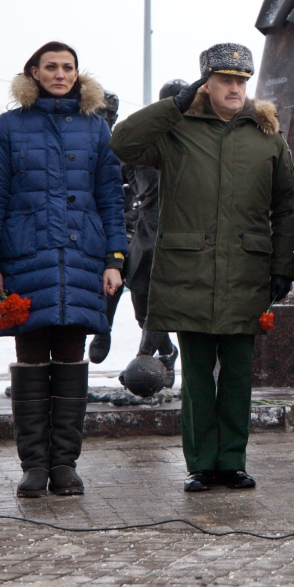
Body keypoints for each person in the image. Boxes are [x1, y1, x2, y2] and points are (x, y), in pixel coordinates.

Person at [112, 44, 294, 492]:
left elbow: (287, 205)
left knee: (236, 374)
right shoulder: (177, 130)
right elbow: (123, 141)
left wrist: (284, 264)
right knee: (197, 376)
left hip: (246, 270)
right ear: (206, 83)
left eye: (241, 80)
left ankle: (231, 460)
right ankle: (200, 462)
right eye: (225, 80)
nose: (235, 88)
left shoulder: (266, 134)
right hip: (188, 270)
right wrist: (173, 105)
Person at [0, 42, 128, 498]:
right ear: (33, 71)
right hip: (25, 258)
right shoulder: (9, 126)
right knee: (29, 361)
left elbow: (111, 197)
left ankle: (65, 465)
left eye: (68, 67)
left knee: (71, 358)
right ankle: (33, 466)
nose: (61, 74)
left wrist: (113, 259)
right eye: (51, 67)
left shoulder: (96, 127)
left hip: (83, 259)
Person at [91, 81, 182, 376]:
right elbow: (117, 186)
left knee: (155, 297)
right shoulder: (142, 141)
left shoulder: (192, 141)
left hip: (180, 228)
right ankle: (157, 349)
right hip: (144, 226)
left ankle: (147, 356)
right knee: (132, 288)